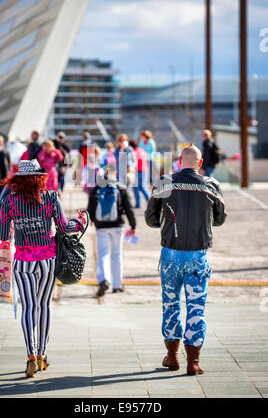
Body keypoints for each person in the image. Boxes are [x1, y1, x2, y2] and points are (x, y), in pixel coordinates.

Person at [0, 159, 86, 378]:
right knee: (44, 305)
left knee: (29, 307)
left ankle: (31, 355)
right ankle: (43, 355)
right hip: (47, 259)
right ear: (40, 178)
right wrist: (82, 221)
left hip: (24, 262)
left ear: (17, 181)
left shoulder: (10, 201)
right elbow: (65, 227)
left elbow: (2, 235)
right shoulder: (51, 197)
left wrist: (12, 225)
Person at [145, 143, 226, 376]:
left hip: (170, 253)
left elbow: (151, 220)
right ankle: (193, 361)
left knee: (170, 304)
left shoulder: (164, 183)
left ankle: (172, 357)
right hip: (198, 254)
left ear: (179, 161)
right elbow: (219, 220)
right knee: (196, 307)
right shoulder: (211, 185)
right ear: (200, 163)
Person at [87, 163, 136, 297]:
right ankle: (117, 285)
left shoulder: (97, 189)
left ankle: (103, 280)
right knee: (116, 254)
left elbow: (90, 208)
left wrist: (92, 221)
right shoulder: (120, 188)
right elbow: (129, 209)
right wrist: (133, 226)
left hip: (101, 226)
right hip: (117, 226)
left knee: (102, 254)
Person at [129, 140, 150, 209]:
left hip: (138, 170)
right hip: (145, 170)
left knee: (136, 187)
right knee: (143, 187)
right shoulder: (142, 150)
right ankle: (151, 202)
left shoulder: (133, 152)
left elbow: (133, 162)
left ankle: (138, 204)